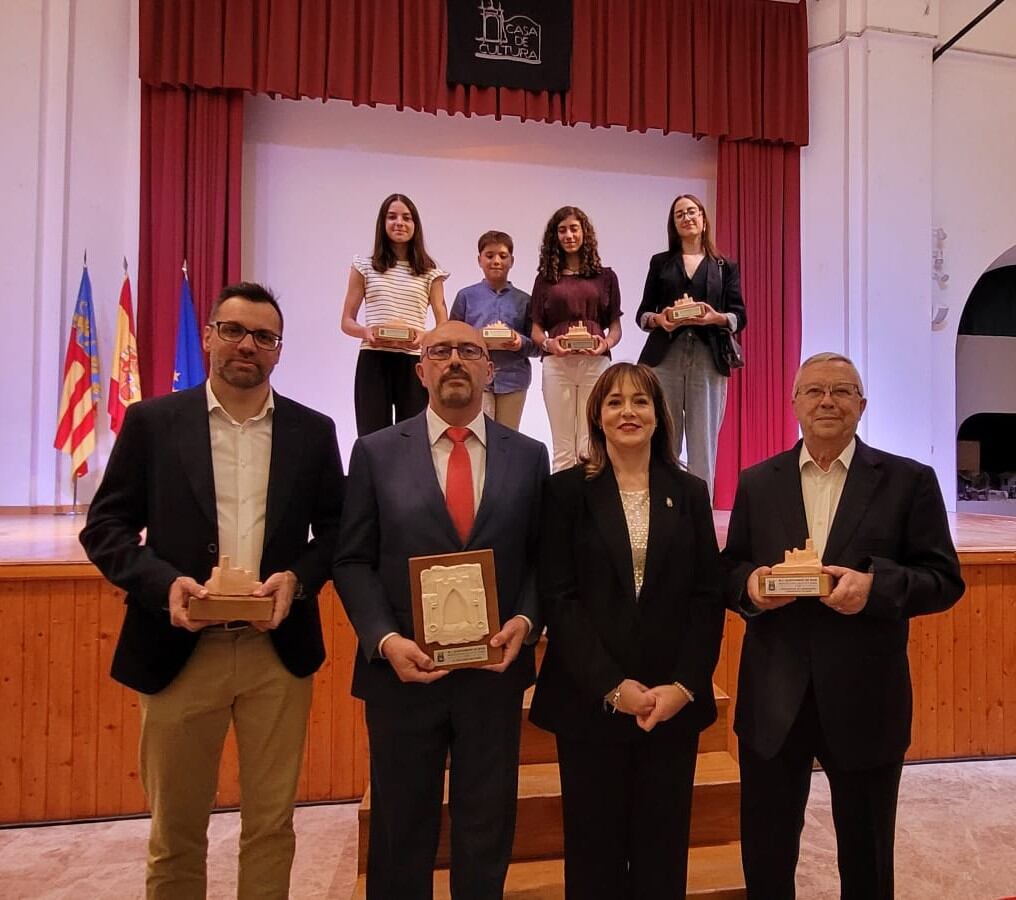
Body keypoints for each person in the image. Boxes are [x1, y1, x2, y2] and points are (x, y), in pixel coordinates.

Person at [80, 282, 346, 899]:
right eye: (233, 330)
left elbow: (335, 532)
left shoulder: (312, 431)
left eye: (263, 336)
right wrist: (162, 585)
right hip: (178, 652)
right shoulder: (153, 422)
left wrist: (299, 579)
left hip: (275, 656)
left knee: (271, 828)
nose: (246, 345)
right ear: (208, 337)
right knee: (176, 834)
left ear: (278, 351)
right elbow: (107, 527)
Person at [722, 352, 965, 900]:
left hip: (865, 700)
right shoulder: (758, 482)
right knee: (766, 854)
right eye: (813, 391)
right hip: (773, 700)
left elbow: (944, 580)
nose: (826, 401)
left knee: (867, 857)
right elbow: (729, 567)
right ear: (794, 404)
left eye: (840, 390)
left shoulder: (909, 481)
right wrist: (752, 586)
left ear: (862, 404)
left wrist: (874, 589)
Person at [333, 319, 549, 899]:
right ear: (420, 368)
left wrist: (526, 624)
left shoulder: (529, 456)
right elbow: (350, 559)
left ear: (490, 369)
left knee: (486, 827)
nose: (455, 360)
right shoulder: (375, 452)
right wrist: (383, 638)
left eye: (469, 351)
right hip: (403, 675)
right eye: (441, 351)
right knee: (401, 832)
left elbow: (540, 559)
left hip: (492, 677)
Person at [529, 362, 724, 899]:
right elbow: (560, 600)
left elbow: (708, 598)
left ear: (660, 416)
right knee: (594, 860)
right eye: (614, 402)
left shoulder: (688, 491)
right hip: (589, 702)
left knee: (663, 858)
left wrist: (684, 687)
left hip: (668, 704)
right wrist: (614, 687)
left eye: (640, 402)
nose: (628, 412)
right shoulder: (565, 492)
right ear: (597, 417)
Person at [635, 194, 746, 499]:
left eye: (692, 212)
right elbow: (642, 314)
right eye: (679, 214)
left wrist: (716, 317)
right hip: (664, 359)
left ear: (703, 219)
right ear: (674, 224)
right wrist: (659, 319)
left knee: (703, 441)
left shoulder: (724, 267)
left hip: (708, 359)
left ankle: (700, 517)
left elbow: (739, 315)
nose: (687, 218)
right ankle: (661, 508)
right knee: (664, 438)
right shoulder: (660, 262)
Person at [340, 193, 449, 436]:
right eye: (392, 217)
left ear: (415, 225)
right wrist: (366, 332)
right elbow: (346, 322)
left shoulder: (430, 271)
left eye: (406, 218)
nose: (399, 223)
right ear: (383, 223)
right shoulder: (364, 266)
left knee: (412, 435)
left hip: (412, 362)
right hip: (374, 359)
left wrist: (424, 336)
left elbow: (444, 325)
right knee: (372, 434)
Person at [531, 205, 622, 472]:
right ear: (554, 237)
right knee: (562, 445)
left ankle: (586, 508)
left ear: (585, 232)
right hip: (557, 365)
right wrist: (549, 344)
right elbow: (536, 329)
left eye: (574, 228)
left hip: (595, 365)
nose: (569, 235)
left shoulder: (606, 276)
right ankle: (561, 510)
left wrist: (605, 344)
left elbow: (615, 327)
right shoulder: (545, 279)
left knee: (590, 443)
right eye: (562, 230)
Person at [449, 229, 538, 430]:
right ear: (479, 260)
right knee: (478, 438)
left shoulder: (525, 300)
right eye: (489, 256)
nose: (496, 261)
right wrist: (474, 339)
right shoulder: (466, 296)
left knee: (508, 439)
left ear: (512, 261)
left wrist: (519, 342)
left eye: (503, 256)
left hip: (514, 379)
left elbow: (537, 347)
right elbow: (451, 336)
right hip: (475, 379)